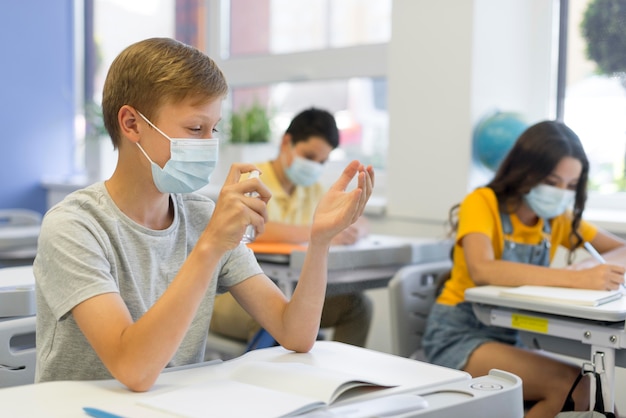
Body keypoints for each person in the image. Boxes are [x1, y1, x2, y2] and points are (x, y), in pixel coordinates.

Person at [33, 38, 374, 392]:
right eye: (195, 129)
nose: (208, 143)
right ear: (132, 124)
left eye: (215, 129)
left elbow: (295, 333)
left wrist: (320, 240)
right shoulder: (74, 226)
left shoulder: (200, 215)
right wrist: (210, 244)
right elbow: (133, 369)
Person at [422, 120, 626, 418]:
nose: (561, 192)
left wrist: (593, 266)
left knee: (596, 394)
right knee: (576, 388)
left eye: (571, 186)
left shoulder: (556, 219)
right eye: (552, 182)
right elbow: (483, 269)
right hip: (457, 335)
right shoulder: (482, 202)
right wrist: (577, 279)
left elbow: (621, 249)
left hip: (510, 335)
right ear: (526, 171)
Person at [209, 108, 372, 348]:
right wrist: (318, 232)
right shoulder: (250, 177)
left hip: (293, 289)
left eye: (322, 161)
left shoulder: (312, 189)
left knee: (358, 305)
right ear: (287, 142)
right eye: (309, 156)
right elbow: (250, 229)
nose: (314, 166)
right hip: (234, 293)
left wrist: (356, 225)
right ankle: (265, 384)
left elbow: (359, 220)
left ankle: (340, 378)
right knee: (270, 317)